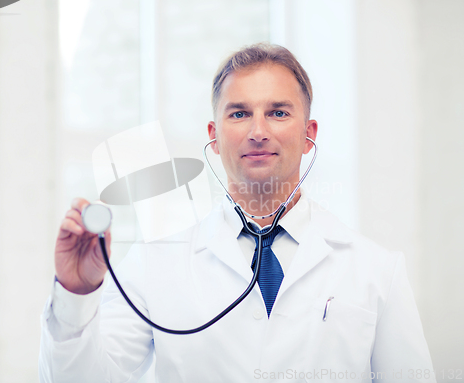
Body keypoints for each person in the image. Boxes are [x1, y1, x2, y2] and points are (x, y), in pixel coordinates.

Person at [39, 43, 435, 382]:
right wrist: (76, 294)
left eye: (278, 112)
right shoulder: (154, 264)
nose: (258, 130)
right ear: (213, 135)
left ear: (309, 133)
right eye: (239, 113)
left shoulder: (377, 270)